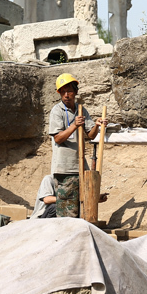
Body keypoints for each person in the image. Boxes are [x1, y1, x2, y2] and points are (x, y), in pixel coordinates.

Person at [48, 73, 107, 218]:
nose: (66, 95)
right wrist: (74, 125)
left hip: (80, 167)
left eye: (69, 91)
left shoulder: (81, 110)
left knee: (82, 208)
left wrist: (98, 125)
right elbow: (58, 138)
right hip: (65, 169)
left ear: (75, 91)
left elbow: (91, 135)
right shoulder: (57, 111)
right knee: (67, 211)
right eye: (63, 92)